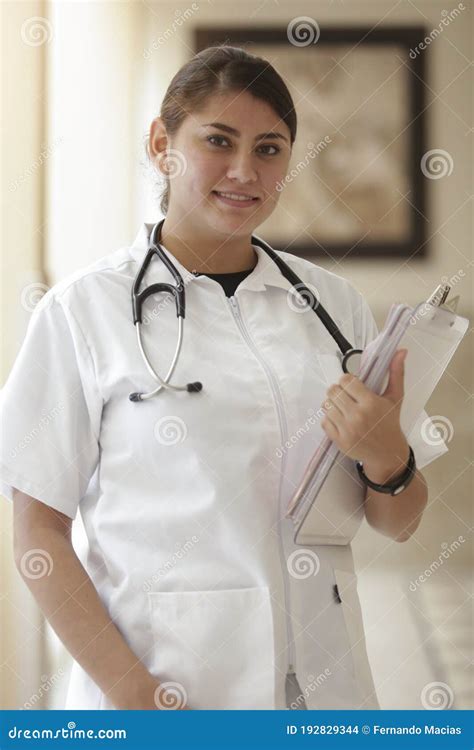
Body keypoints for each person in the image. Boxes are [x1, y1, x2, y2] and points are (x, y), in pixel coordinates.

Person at [1, 45, 448, 711]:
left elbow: (400, 523)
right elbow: (38, 533)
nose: (244, 171)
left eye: (269, 149)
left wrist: (389, 458)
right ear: (162, 144)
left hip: (326, 688)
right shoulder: (81, 312)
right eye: (218, 140)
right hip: (162, 685)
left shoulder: (333, 307)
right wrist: (136, 694)